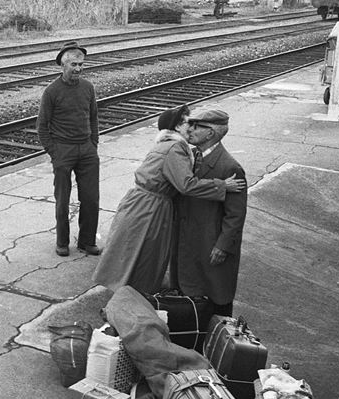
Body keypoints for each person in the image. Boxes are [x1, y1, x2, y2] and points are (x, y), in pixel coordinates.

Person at [92, 105, 246, 295]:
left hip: (142, 205)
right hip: (149, 209)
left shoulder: (174, 146)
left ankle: (127, 298)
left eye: (195, 125)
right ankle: (131, 301)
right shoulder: (175, 148)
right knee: (143, 258)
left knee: (132, 256)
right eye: (186, 123)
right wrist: (222, 185)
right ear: (175, 129)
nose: (190, 127)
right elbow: (186, 185)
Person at [174, 109, 247, 316]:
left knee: (216, 294)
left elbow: (235, 215)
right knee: (191, 291)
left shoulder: (230, 167)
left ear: (211, 133)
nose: (191, 130)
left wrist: (223, 246)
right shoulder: (192, 156)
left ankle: (219, 338)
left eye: (197, 126)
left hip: (210, 241)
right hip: (191, 238)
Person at [36, 41, 101, 257]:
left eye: (81, 64)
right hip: (63, 151)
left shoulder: (88, 88)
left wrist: (94, 143)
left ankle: (87, 241)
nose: (78, 69)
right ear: (63, 65)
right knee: (62, 200)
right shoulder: (52, 91)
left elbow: (93, 117)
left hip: (87, 150)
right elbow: (42, 126)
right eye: (74, 64)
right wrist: (54, 152)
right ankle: (62, 242)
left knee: (91, 198)